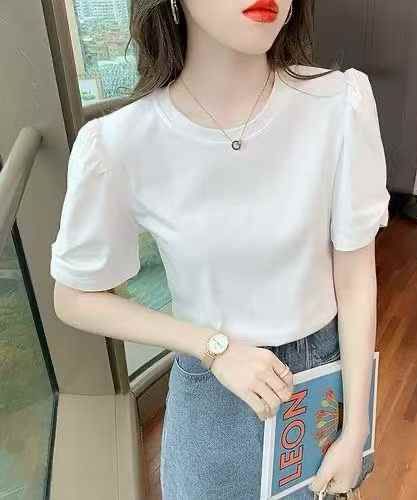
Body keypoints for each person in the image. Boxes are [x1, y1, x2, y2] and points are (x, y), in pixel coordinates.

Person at [50, 0, 390, 498]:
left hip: (322, 378)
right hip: (212, 399)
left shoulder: (338, 105)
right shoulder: (122, 141)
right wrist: (213, 347)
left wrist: (356, 426)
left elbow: (356, 278)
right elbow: (74, 296)